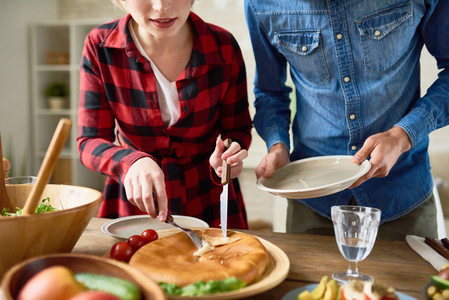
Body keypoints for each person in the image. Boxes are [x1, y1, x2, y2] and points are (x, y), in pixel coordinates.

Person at [244, 0, 449, 240]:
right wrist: (276, 144)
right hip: (312, 203)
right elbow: (270, 92)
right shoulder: (260, 4)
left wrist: (402, 135)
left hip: (403, 195)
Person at [77, 0, 252, 229]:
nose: (161, 7)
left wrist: (228, 156)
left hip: (208, 200)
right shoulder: (100, 45)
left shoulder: (224, 46)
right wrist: (131, 162)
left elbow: (237, 129)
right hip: (137, 202)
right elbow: (88, 141)